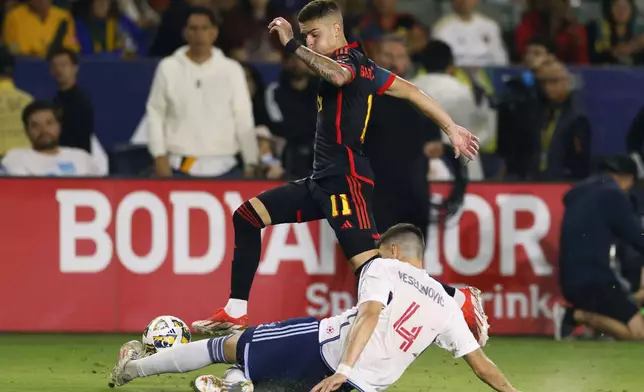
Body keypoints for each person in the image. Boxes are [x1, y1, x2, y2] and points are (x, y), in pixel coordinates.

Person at [191, 0, 486, 346]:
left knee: (375, 271)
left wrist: (291, 44)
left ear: (335, 29)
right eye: (305, 37)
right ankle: (236, 309)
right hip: (321, 181)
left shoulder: (351, 63)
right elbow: (411, 90)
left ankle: (457, 299)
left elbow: (338, 74)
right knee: (247, 216)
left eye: (314, 35)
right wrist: (451, 127)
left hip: (347, 181)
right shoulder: (367, 68)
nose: (310, 43)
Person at [109, 224, 517, 392]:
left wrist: (343, 369)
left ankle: (132, 368)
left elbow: (371, 314)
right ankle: (237, 385)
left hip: (325, 348)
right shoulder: (446, 305)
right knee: (267, 377)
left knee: (231, 345)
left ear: (392, 250)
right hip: (366, 387)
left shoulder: (384, 266)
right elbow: (483, 368)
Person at [146, 6, 259, 178]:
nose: (199, 34)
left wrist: (251, 161)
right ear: (185, 32)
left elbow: (243, 118)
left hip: (226, 166)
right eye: (193, 28)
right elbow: (155, 113)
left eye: (205, 28)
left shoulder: (232, 70)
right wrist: (159, 155)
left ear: (214, 32)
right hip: (180, 165)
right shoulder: (168, 68)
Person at [555, 156, 644, 340]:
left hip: (570, 281)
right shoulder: (613, 195)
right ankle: (575, 316)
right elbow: (638, 238)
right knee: (639, 333)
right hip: (596, 281)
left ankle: (585, 322)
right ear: (627, 178)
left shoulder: (580, 193)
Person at [1, 100, 102, 176]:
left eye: (49, 123)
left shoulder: (81, 158)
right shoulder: (14, 159)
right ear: (27, 131)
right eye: (35, 125)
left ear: (59, 126)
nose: (44, 130)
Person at [48, 48, 94, 153]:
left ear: (75, 68)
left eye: (64, 65)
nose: (58, 69)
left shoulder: (80, 102)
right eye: (54, 65)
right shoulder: (55, 101)